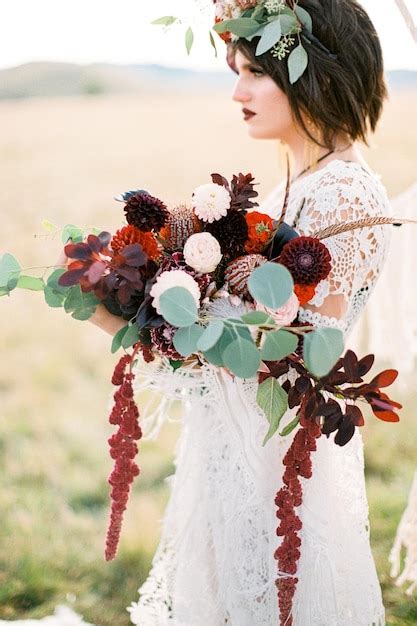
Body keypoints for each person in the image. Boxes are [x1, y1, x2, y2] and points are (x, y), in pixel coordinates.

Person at [16, 1, 392, 624]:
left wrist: (129, 320)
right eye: (234, 70)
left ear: (314, 73)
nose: (237, 91)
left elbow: (288, 360)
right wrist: (132, 299)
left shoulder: (345, 194)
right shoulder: (297, 183)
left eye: (254, 73)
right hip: (235, 447)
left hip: (279, 464)